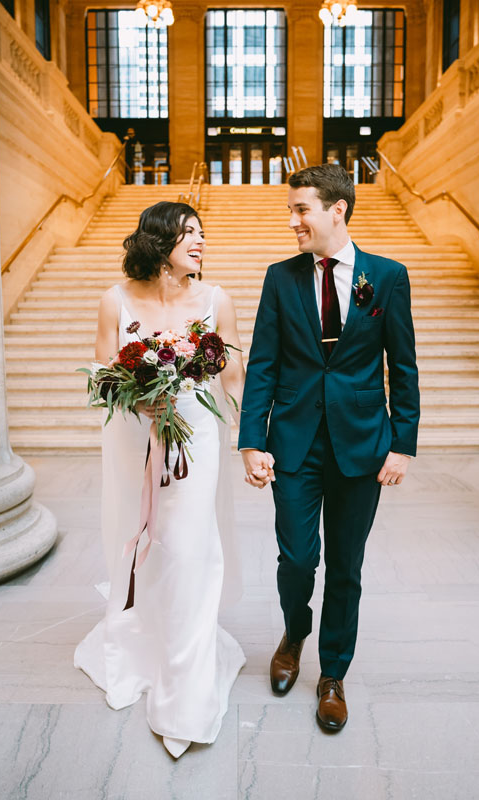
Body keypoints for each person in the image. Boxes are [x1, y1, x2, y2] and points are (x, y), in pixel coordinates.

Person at [238, 164, 420, 732]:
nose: (293, 220)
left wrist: (402, 444)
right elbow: (263, 363)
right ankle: (294, 633)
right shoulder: (280, 277)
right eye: (292, 210)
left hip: (363, 445)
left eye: (301, 210)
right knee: (296, 559)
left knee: (346, 565)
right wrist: (251, 441)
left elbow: (403, 366)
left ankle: (333, 673)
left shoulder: (386, 277)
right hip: (293, 442)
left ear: (336, 211)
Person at [74, 201, 246, 758]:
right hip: (132, 443)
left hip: (196, 440)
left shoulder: (217, 300)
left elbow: (236, 374)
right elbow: (102, 377)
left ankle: (186, 693)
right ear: (157, 239)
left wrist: (252, 439)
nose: (198, 241)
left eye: (201, 233)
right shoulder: (115, 300)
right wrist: (141, 397)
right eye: (186, 232)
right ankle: (145, 636)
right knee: (142, 542)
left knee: (189, 548)